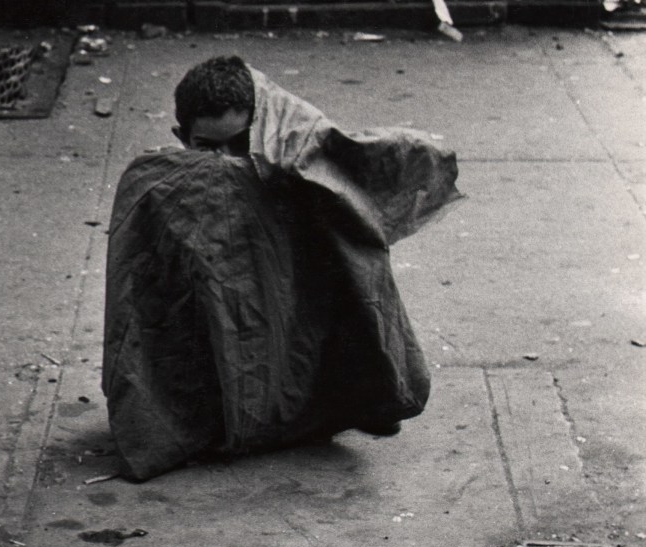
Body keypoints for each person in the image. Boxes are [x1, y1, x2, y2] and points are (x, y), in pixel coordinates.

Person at [102, 56, 459, 481]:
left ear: (258, 128)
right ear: (181, 137)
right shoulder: (159, 185)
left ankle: (339, 400)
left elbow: (350, 186)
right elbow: (138, 297)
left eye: (237, 144)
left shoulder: (292, 160)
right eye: (206, 148)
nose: (225, 161)